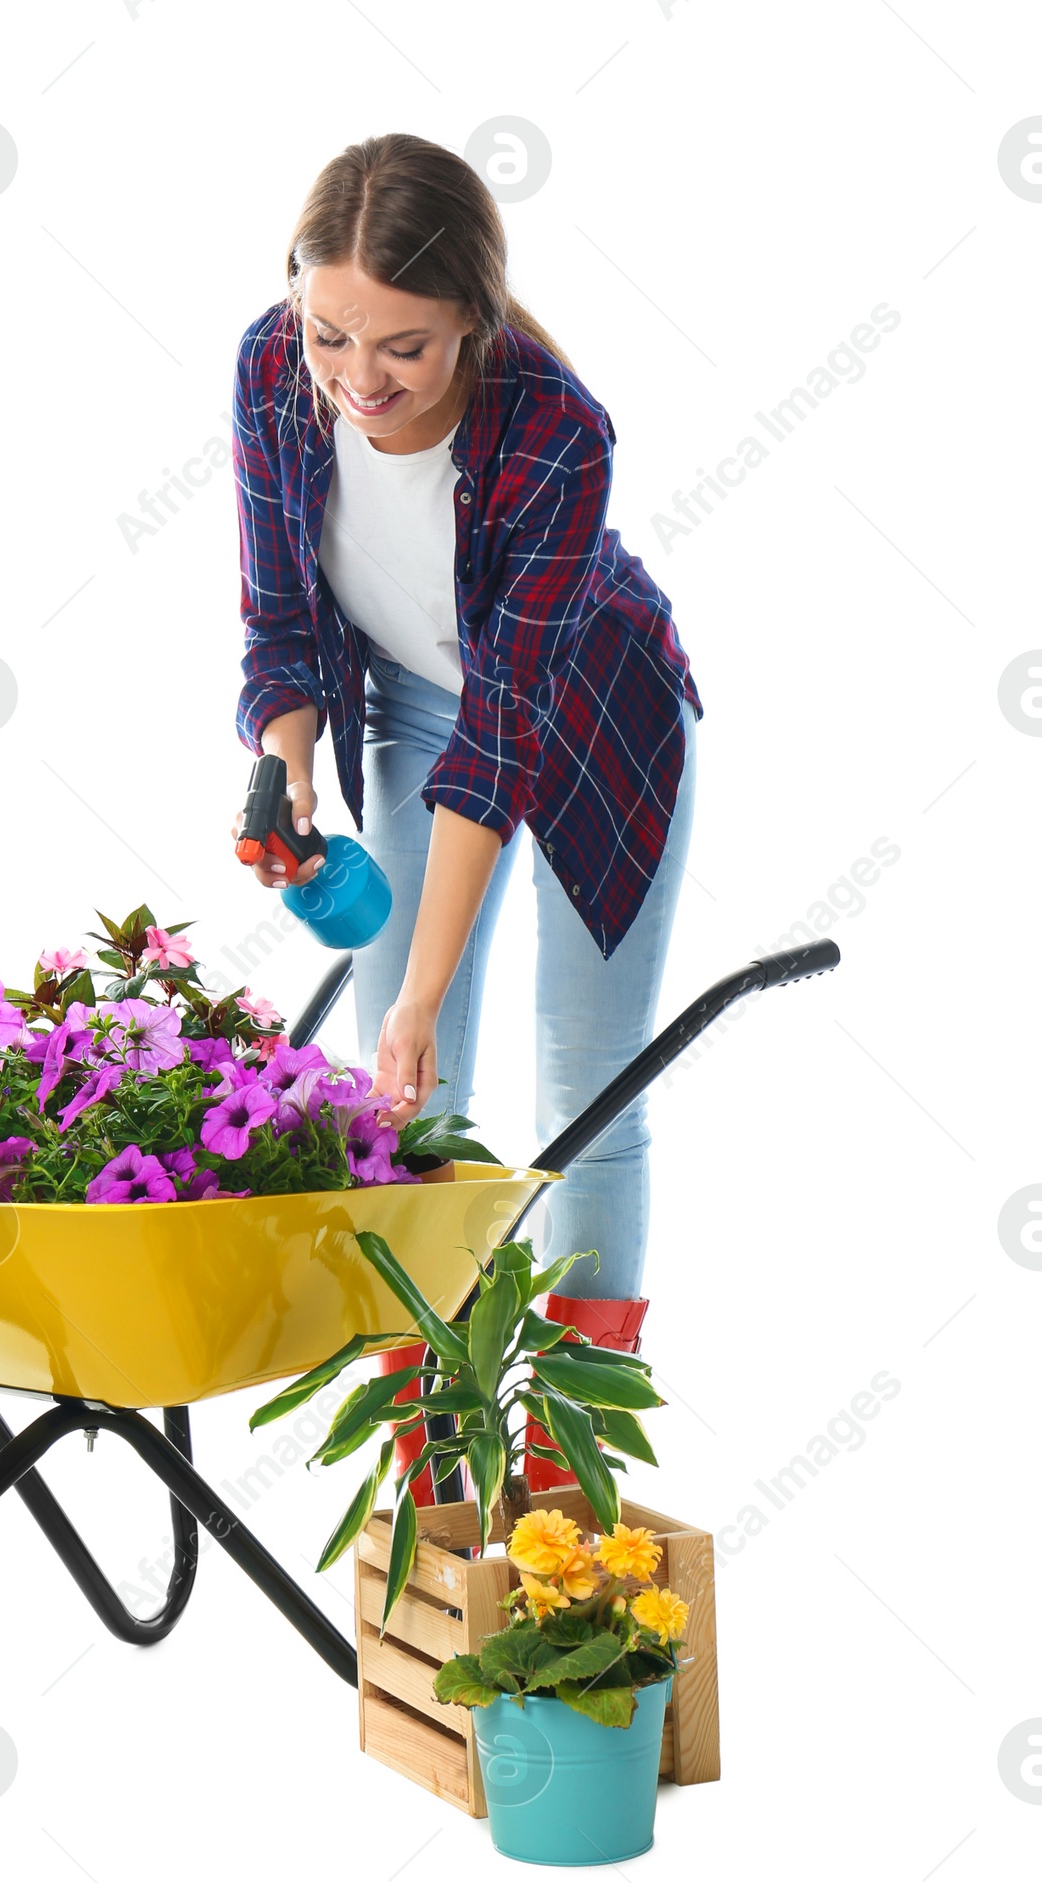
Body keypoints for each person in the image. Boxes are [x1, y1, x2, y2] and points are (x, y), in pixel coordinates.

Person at [230, 133, 702, 1497]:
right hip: (412, 705)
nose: (359, 381)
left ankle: (567, 1452)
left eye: (406, 350)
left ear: (472, 328)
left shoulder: (556, 431)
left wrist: (426, 986)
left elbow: (503, 737)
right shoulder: (272, 369)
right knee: (402, 1097)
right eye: (334, 336)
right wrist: (290, 765)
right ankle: (433, 1428)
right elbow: (278, 619)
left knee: (587, 1089)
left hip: (588, 720)